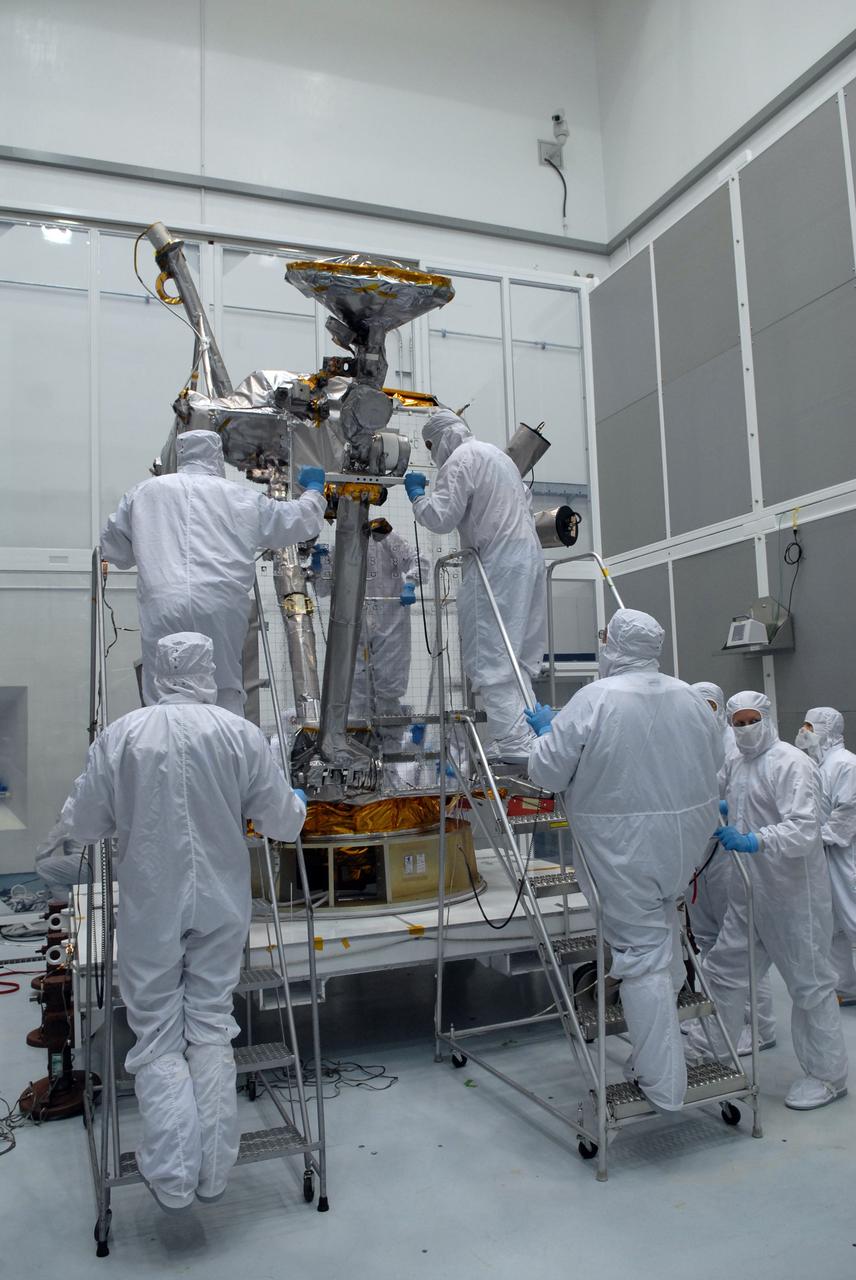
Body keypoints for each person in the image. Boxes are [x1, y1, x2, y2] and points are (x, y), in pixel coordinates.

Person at [45, 633, 307, 1210]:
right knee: (211, 1024)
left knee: (158, 1035)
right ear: (209, 672)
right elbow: (284, 823)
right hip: (222, 899)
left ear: (156, 673)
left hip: (153, 903)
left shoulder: (124, 736)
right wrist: (298, 800)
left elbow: (85, 823)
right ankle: (214, 1174)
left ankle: (172, 1179)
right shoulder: (239, 734)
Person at [526, 609, 723, 1112]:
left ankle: (662, 1085)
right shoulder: (690, 697)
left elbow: (547, 773)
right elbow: (712, 762)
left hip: (623, 847)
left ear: (613, 645)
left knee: (639, 957)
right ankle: (661, 1058)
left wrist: (548, 734)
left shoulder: (595, 699)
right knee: (664, 936)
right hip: (684, 841)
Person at [687, 691, 848, 1110]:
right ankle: (711, 1053)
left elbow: (804, 829)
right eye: (737, 723)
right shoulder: (737, 764)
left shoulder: (791, 762)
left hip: (794, 897)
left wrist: (755, 839)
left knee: (809, 986)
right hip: (749, 893)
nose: (743, 729)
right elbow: (718, 797)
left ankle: (829, 1077)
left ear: (767, 718)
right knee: (722, 970)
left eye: (750, 720)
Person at [101, 429, 327, 715]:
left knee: (164, 688)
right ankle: (223, 749)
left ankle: (163, 748)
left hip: (162, 604)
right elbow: (297, 520)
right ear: (217, 457)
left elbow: (114, 549)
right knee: (223, 689)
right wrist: (314, 491)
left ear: (181, 455)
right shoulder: (241, 497)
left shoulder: (144, 493)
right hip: (221, 605)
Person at [404, 409, 546, 759]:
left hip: (495, 562)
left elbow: (441, 517)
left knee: (491, 654)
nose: (433, 454)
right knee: (516, 655)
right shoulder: (500, 457)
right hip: (530, 558)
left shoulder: (459, 460)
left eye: (430, 446)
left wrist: (418, 497)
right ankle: (524, 734)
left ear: (440, 439)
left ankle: (514, 743)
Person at [687, 682, 777, 1055]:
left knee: (739, 945)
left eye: (709, 706)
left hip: (727, 854)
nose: (702, 713)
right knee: (709, 942)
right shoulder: (688, 745)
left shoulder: (732, 745)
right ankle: (718, 1017)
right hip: (698, 856)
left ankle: (760, 1027)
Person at [310, 520, 428, 751]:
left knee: (388, 689)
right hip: (353, 625)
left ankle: (392, 754)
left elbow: (420, 561)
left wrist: (411, 584)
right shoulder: (338, 549)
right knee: (354, 692)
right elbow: (322, 589)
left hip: (389, 621)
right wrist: (319, 565)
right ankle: (359, 754)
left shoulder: (385, 539)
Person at [797, 707, 856, 1005]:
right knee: (832, 925)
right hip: (824, 854)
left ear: (827, 730)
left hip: (847, 855)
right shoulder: (816, 764)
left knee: (854, 917)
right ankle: (846, 986)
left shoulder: (845, 763)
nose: (803, 732)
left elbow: (847, 812)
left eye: (809, 726)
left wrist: (815, 838)